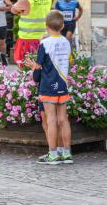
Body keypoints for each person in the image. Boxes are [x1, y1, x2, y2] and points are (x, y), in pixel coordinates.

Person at [27, 10, 73, 165]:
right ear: (62, 26)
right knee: (63, 120)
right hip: (63, 84)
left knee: (51, 120)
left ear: (46, 26)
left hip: (48, 86)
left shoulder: (44, 44)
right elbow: (68, 61)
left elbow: (39, 67)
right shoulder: (66, 42)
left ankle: (53, 154)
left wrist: (34, 66)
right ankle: (66, 153)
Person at [10, 0, 52, 66]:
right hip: (43, 38)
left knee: (25, 67)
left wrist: (20, 5)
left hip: (27, 39)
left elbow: (13, 10)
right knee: (40, 67)